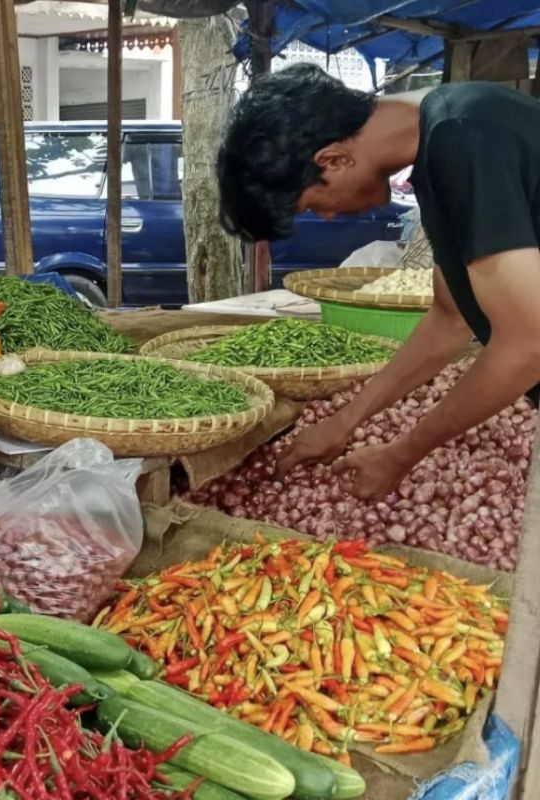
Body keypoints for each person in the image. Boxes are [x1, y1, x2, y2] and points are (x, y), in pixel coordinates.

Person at [216, 64, 540, 502]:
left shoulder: (461, 136)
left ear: (333, 160)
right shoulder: (441, 144)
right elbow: (450, 316)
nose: (328, 216)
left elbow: (527, 345)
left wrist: (402, 454)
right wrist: (347, 420)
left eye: (314, 206)